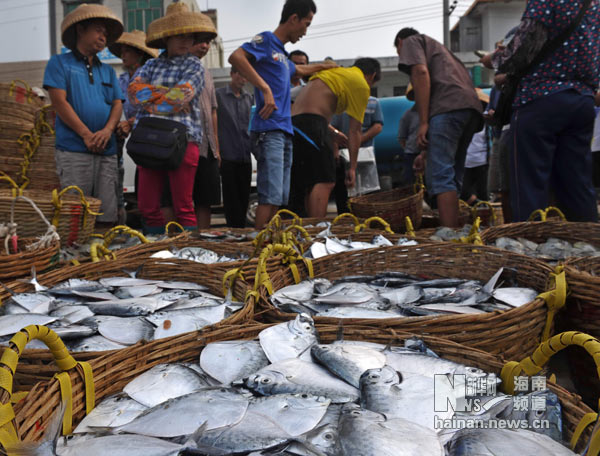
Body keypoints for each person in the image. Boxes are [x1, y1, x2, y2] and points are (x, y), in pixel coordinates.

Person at [481, 0, 600, 222]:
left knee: (528, 185)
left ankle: (532, 249)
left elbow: (527, 42)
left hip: (541, 99)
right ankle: (588, 248)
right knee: (577, 185)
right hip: (582, 100)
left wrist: (494, 60)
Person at [229, 0, 336, 228]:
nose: (305, 32)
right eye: (306, 24)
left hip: (285, 132)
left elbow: (298, 69)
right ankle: (258, 248)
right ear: (293, 19)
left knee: (279, 197)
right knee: (270, 195)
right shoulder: (266, 40)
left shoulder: (282, 55)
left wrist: (323, 67)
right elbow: (236, 57)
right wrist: (264, 88)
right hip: (269, 130)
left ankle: (268, 243)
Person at [128, 3, 216, 233]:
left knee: (183, 205)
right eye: (178, 35)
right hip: (150, 140)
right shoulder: (150, 63)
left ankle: (186, 256)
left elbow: (178, 97)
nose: (184, 41)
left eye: (188, 36)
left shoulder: (195, 65)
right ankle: (157, 249)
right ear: (166, 37)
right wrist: (170, 96)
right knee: (147, 206)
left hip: (184, 140)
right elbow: (134, 94)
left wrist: (154, 96)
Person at [43, 4, 124, 228]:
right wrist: (86, 134)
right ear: (81, 29)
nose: (103, 37)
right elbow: (59, 101)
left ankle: (102, 258)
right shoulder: (59, 63)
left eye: (106, 34)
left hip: (106, 151)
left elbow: (117, 105)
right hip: (73, 150)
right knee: (75, 213)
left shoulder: (107, 70)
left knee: (106, 212)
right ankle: (77, 260)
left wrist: (107, 131)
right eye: (98, 30)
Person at [395, 27, 483, 228]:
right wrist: (424, 153)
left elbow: (420, 71)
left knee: (440, 174)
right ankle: (456, 228)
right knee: (454, 172)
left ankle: (448, 233)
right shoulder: (441, 51)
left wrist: (424, 122)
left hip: (448, 109)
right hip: (470, 110)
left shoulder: (411, 41)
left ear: (400, 42)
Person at [290, 58, 382, 218]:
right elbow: (355, 131)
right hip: (312, 123)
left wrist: (332, 135)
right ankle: (315, 231)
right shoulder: (360, 83)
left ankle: (305, 229)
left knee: (308, 182)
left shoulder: (337, 74)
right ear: (372, 76)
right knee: (325, 181)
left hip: (295, 123)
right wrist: (352, 168)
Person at [109, 29, 158, 225]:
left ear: (139, 53)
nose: (123, 55)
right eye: (121, 51)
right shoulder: (120, 79)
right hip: (129, 138)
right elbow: (116, 104)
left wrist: (130, 123)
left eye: (127, 51)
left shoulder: (149, 77)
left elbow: (152, 107)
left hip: (149, 135)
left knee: (150, 184)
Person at [331, 94, 384, 214]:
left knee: (368, 192)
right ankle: (345, 220)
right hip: (343, 156)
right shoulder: (340, 103)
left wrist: (358, 140)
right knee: (344, 192)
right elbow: (333, 129)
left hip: (366, 156)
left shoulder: (373, 102)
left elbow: (378, 126)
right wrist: (335, 151)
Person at [190, 29, 221, 229]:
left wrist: (216, 147)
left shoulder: (207, 73)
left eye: (208, 42)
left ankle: (203, 242)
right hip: (185, 143)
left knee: (205, 199)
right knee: (183, 199)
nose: (205, 46)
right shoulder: (172, 69)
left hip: (207, 145)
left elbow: (213, 111)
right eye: (201, 41)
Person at [217, 67, 254, 227]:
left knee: (244, 196)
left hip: (245, 154)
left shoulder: (249, 98)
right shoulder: (219, 95)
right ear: (232, 74)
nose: (243, 79)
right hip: (227, 154)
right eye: (241, 74)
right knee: (230, 197)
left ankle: (241, 232)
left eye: (247, 76)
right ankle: (233, 230)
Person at [397, 85, 419, 187]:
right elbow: (402, 138)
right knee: (410, 184)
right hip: (412, 154)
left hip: (431, 154)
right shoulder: (408, 115)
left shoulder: (434, 112)